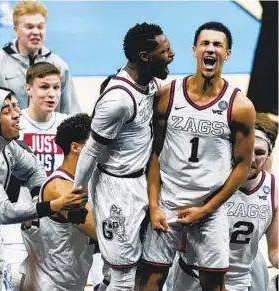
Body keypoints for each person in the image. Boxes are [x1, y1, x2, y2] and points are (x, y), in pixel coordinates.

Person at [136, 21, 256, 291]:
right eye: (205, 43)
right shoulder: (168, 95)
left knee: (213, 286)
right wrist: (154, 205)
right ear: (194, 50)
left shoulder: (240, 106)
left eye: (217, 45)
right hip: (168, 202)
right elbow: (153, 153)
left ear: (227, 54)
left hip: (209, 208)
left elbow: (242, 166)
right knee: (149, 283)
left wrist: (207, 209)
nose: (210, 49)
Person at [74, 22, 174, 291]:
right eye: (165, 51)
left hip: (143, 181)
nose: (172, 54)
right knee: (123, 276)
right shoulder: (117, 101)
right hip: (116, 191)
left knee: (140, 265)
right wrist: (78, 192)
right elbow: (92, 149)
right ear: (145, 57)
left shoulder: (149, 83)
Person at [0, 87, 85, 291]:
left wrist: (38, 197)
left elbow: (34, 169)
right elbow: (4, 212)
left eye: (16, 106)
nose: (17, 113)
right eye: (6, 110)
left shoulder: (6, 145)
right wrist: (52, 205)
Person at [168, 112, 278, 291]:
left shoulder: (273, 188)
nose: (251, 160)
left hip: (238, 283)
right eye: (248, 151)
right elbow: (178, 239)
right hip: (195, 279)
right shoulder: (208, 178)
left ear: (269, 155)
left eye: (259, 153)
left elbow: (275, 251)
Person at [1, 61, 70, 290]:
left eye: (56, 87)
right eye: (44, 87)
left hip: (56, 223)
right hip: (19, 220)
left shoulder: (66, 125)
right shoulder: (14, 126)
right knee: (15, 280)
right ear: (28, 88)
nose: (52, 94)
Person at [20, 113, 96, 291]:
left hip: (70, 281)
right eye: (96, 142)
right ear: (76, 147)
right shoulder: (59, 187)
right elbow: (98, 232)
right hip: (47, 284)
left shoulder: (86, 181)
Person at [0, 1, 80, 114]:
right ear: (16, 30)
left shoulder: (58, 66)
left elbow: (72, 112)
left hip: (48, 131)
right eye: (29, 27)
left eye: (40, 27)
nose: (36, 32)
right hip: (5, 131)